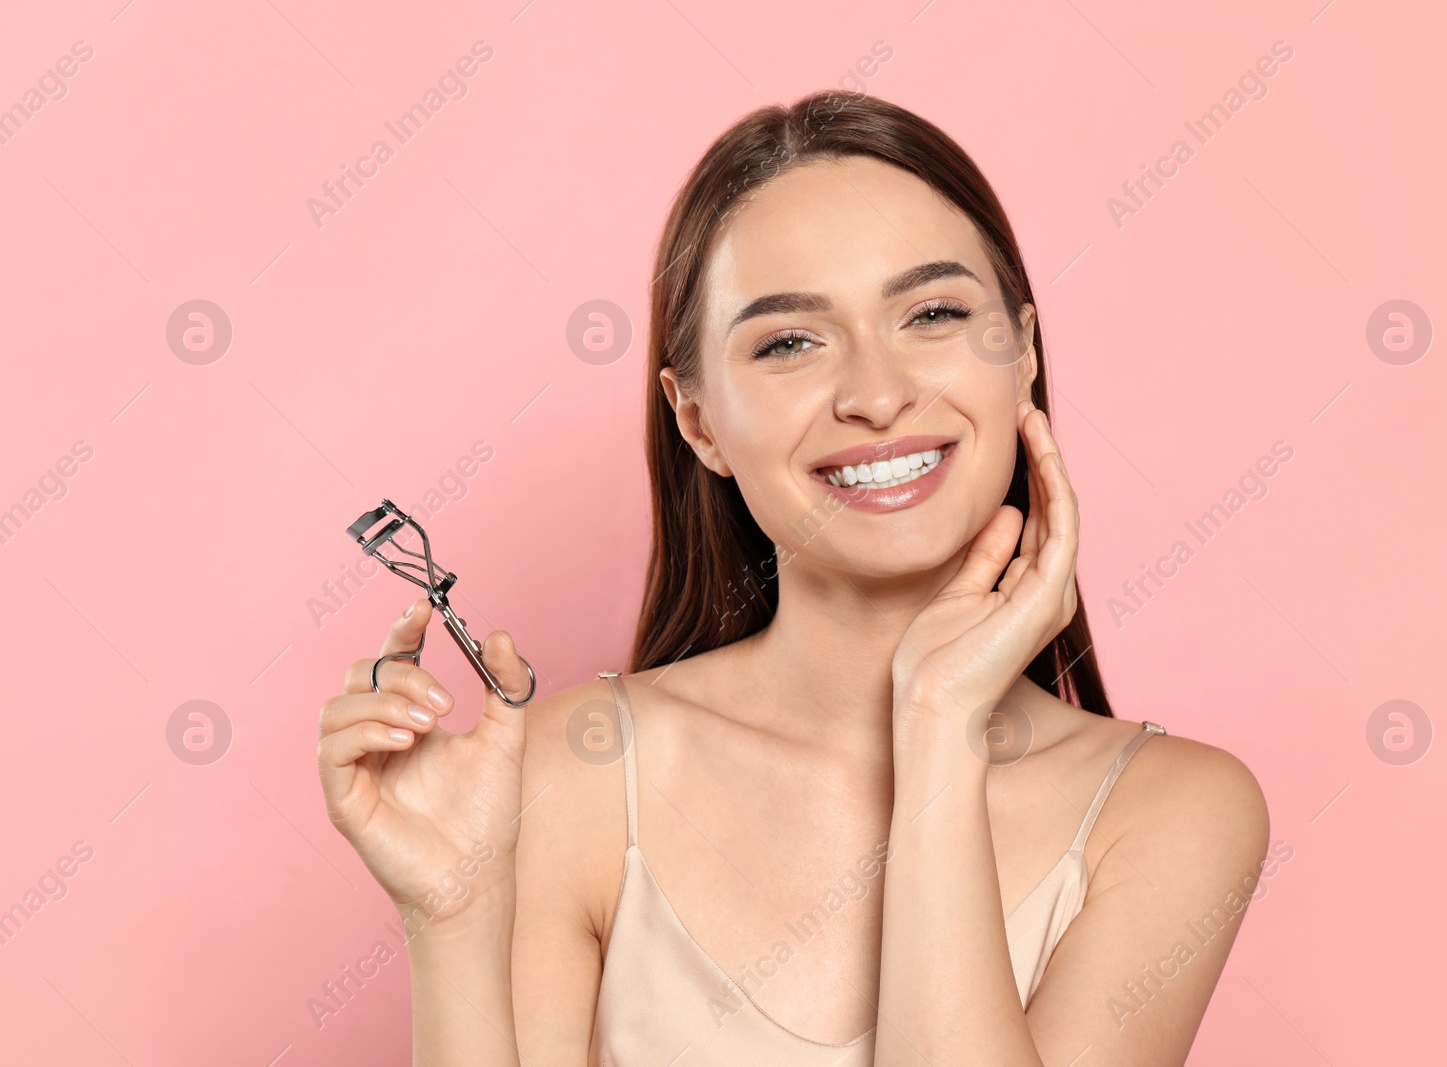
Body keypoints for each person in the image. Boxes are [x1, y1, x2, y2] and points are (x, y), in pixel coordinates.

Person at [317, 89, 1269, 1066]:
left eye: (933, 312)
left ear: (1021, 352)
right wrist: (453, 915)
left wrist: (938, 726)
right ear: (697, 421)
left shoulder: (1174, 811)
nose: (876, 394)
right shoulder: (575, 773)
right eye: (789, 342)